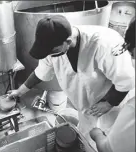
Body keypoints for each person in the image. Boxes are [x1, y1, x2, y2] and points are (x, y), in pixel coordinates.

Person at [7, 15, 135, 147]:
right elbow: (40, 72)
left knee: (111, 141)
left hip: (113, 103)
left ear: (67, 41)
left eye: (53, 51)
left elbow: (125, 79)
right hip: (87, 106)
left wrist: (109, 103)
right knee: (87, 139)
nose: (49, 55)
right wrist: (20, 91)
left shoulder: (104, 43)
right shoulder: (51, 46)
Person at [90, 17, 135, 152]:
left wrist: (96, 134)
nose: (131, 61)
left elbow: (108, 149)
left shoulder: (133, 109)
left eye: (132, 55)